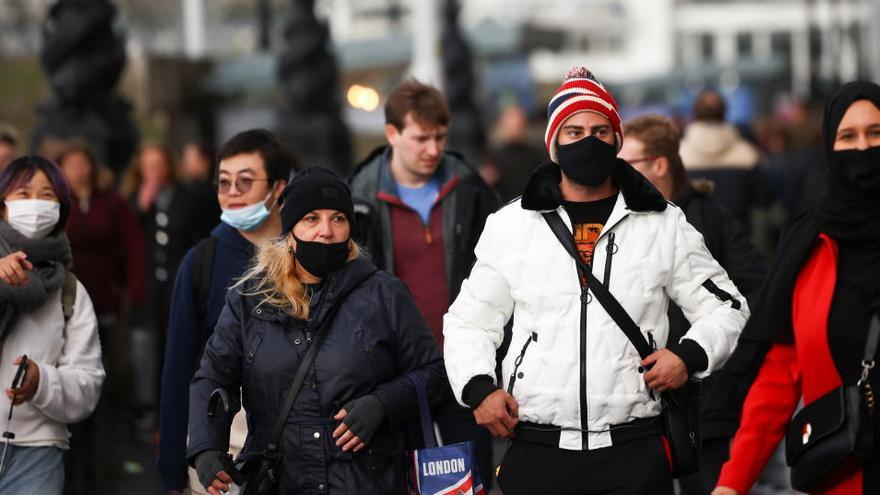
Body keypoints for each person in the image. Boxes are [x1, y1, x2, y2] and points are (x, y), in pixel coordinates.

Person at [443, 66, 749, 495]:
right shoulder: (511, 225)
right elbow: (470, 321)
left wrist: (689, 355)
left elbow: (727, 305)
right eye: (574, 131)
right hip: (538, 446)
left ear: (617, 141)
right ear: (554, 144)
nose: (588, 141)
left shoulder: (661, 222)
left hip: (634, 447)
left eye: (600, 131)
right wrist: (478, 389)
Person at [188, 167, 445, 495]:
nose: (326, 230)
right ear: (290, 230)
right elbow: (213, 377)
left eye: (338, 218)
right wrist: (206, 446)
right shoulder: (250, 299)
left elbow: (434, 372)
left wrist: (382, 404)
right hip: (281, 480)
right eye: (312, 218)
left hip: (367, 481)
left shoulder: (384, 294)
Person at [711, 81, 880, 495]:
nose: (863, 148)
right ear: (828, 146)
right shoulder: (810, 245)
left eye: (876, 133)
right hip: (845, 474)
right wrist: (733, 483)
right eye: (848, 136)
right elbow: (780, 376)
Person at [348, 78, 497, 483]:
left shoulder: (469, 191)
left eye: (440, 137)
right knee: (402, 480)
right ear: (392, 133)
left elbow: (502, 275)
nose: (433, 149)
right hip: (394, 371)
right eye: (421, 138)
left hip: (463, 363)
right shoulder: (358, 200)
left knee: (471, 481)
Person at [618, 114, 768, 493]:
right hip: (644, 400)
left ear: (659, 164)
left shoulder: (705, 217)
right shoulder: (627, 220)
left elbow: (759, 291)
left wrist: (724, 362)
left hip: (705, 394)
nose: (615, 172)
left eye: (625, 162)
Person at [158, 129, 295, 495]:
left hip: (301, 449)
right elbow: (178, 366)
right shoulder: (202, 260)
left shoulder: (307, 252)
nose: (232, 192)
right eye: (224, 182)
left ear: (278, 187)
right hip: (221, 452)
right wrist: (172, 465)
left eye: (245, 182)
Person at [0, 156, 105, 494]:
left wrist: (41, 383)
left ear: (60, 210)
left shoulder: (70, 291)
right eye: (23, 194)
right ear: (2, 207)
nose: (34, 204)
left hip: (38, 456)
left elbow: (88, 385)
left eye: (47, 196)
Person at [58, 143, 146, 494]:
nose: (78, 170)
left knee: (101, 388)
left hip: (104, 307)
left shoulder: (110, 203)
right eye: (71, 164)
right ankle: (72, 466)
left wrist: (133, 292)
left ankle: (101, 465)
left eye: (83, 163)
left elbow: (134, 246)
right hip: (63, 308)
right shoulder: (57, 205)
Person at [121, 144, 217, 434]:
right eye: (148, 166)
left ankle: (178, 410)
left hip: (179, 281)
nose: (154, 172)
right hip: (148, 286)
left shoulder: (187, 196)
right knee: (147, 347)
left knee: (178, 344)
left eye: (158, 165)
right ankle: (149, 409)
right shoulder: (134, 200)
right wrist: (141, 206)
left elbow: (201, 234)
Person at [679, 89, 775, 235]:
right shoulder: (748, 154)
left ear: (694, 115)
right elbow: (765, 199)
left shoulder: (678, 155)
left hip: (692, 243)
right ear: (724, 113)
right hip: (739, 241)